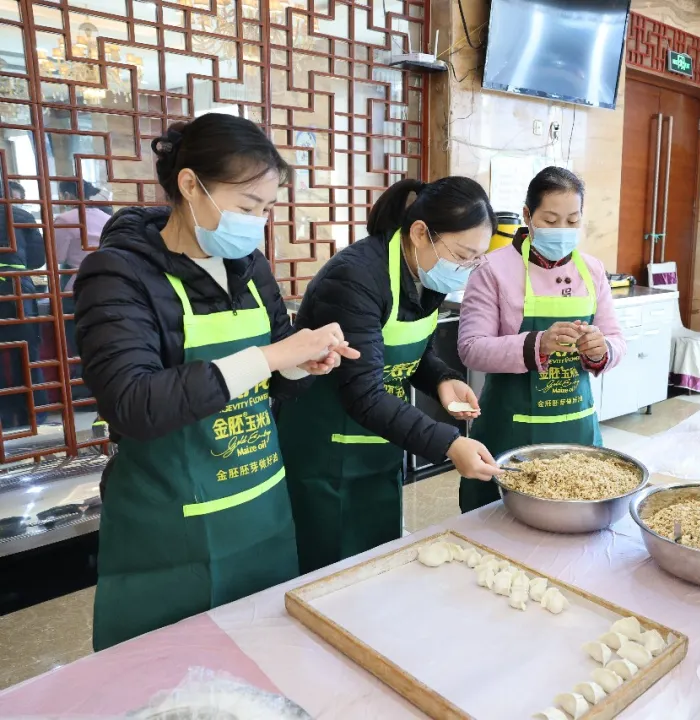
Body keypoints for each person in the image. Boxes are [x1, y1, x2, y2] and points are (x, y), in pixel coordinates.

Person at [74, 113, 358, 651]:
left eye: (266, 209)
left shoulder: (248, 266)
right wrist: (270, 356)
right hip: (171, 525)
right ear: (190, 185)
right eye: (247, 207)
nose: (258, 223)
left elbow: (272, 380)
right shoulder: (118, 274)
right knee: (174, 669)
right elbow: (132, 402)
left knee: (265, 656)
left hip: (260, 506)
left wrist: (297, 365)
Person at [276, 176, 502, 574]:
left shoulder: (422, 273)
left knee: (375, 561)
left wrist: (441, 378)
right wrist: (449, 443)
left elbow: (411, 348)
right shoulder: (355, 279)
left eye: (476, 259)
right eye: (463, 255)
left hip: (381, 443)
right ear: (420, 233)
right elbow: (363, 392)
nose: (466, 269)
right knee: (329, 570)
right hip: (328, 454)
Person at [457, 167, 625, 512]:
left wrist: (601, 349)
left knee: (575, 518)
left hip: (576, 427)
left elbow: (616, 339)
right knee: (498, 522)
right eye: (550, 220)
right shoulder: (492, 269)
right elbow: (471, 348)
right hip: (510, 430)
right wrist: (536, 344)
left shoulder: (592, 270)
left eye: (572, 220)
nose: (562, 229)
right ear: (527, 215)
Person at [55, 180, 113, 404]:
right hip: (108, 285)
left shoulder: (65, 219)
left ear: (67, 196)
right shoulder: (106, 218)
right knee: (104, 340)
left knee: (77, 343)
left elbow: (56, 257)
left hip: (77, 288)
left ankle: (82, 394)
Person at [0, 181, 46, 429]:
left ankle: (5, 420)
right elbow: (39, 258)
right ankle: (36, 415)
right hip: (18, 288)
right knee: (28, 353)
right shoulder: (20, 215)